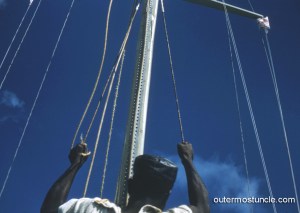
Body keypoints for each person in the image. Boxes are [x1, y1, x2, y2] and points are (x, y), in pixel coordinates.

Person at [41, 142, 210, 213]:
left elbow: (51, 209)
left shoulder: (93, 209)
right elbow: (202, 208)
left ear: (130, 186)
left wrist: (75, 164)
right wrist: (187, 161)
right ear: (167, 195)